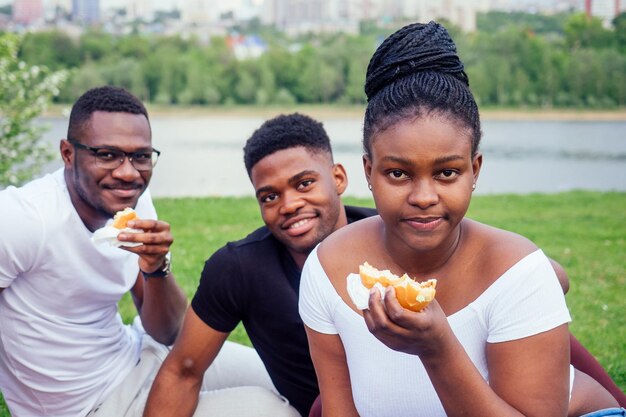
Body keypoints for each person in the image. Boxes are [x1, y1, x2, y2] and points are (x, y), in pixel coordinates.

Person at [298, 21, 624, 417]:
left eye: (447, 173)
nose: (423, 197)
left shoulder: (518, 274)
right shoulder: (327, 270)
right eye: (398, 173)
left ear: (475, 170)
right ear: (368, 172)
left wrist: (438, 348)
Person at [143, 113, 376, 417]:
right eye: (269, 196)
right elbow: (183, 372)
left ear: (338, 178)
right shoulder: (240, 269)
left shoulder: (393, 237)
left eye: (304, 184)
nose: (289, 205)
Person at [0, 86, 188, 416]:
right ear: (68, 153)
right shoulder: (25, 218)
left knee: (276, 375)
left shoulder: (135, 201)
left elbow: (168, 330)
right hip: (89, 405)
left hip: (136, 356)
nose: (128, 173)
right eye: (107, 154)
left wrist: (156, 266)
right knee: (270, 410)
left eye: (141, 156)